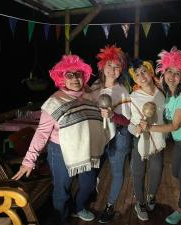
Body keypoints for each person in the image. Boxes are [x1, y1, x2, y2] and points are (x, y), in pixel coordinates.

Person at [12, 55, 111, 225]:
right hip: (60, 151)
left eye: (78, 74)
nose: (75, 78)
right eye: (69, 75)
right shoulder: (54, 101)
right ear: (61, 77)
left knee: (88, 185)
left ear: (84, 76)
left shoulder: (90, 96)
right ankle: (62, 219)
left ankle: (78, 207)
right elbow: (42, 133)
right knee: (61, 190)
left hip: (86, 150)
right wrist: (29, 161)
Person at [141, 47, 181, 225]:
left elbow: (174, 125)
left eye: (177, 73)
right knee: (175, 172)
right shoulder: (167, 96)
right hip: (179, 143)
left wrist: (150, 127)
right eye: (169, 71)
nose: (172, 76)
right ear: (163, 72)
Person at [90, 45, 132, 223]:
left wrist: (113, 115)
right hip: (98, 137)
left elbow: (129, 120)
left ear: (121, 69)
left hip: (119, 137)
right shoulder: (94, 88)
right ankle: (87, 199)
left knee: (116, 173)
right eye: (109, 65)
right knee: (91, 172)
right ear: (102, 66)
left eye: (117, 66)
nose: (113, 70)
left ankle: (110, 206)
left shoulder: (122, 90)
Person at [127, 59, 166, 221]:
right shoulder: (133, 96)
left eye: (144, 71)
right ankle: (140, 203)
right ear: (134, 79)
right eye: (137, 74)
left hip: (159, 139)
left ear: (151, 72)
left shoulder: (162, 93)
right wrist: (135, 129)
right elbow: (129, 122)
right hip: (140, 140)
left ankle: (151, 196)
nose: (141, 76)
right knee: (138, 172)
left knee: (157, 170)